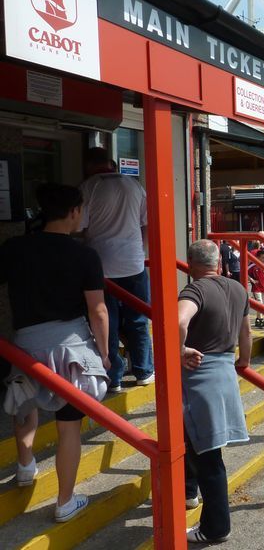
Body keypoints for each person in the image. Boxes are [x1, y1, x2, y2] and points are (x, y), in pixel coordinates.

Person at [1, 183, 110, 522]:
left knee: (24, 401)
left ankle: (24, 466)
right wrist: (105, 353)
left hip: (24, 342)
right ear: (75, 211)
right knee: (69, 425)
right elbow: (98, 311)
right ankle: (64, 502)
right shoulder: (85, 255)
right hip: (70, 347)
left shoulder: (14, 248)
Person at [177, 240, 250, 544]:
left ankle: (216, 527)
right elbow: (246, 333)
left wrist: (179, 348)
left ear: (191, 265)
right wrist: (243, 362)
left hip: (199, 377)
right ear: (218, 263)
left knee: (207, 455)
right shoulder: (238, 289)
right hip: (225, 374)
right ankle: (188, 493)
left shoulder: (194, 290)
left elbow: (179, 319)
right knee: (193, 441)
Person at [80, 150, 153, 392]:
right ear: (111, 164)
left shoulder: (88, 187)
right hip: (133, 262)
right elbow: (147, 222)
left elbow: (80, 224)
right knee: (139, 318)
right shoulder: (134, 185)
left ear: (90, 166)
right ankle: (143, 371)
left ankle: (114, 376)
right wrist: (141, 251)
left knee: (105, 321)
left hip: (102, 265)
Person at [248, 249, 264, 327]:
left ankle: (258, 319)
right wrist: (251, 279)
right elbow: (245, 272)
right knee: (259, 303)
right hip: (256, 288)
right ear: (257, 258)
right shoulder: (252, 265)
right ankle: (260, 320)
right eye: (263, 258)